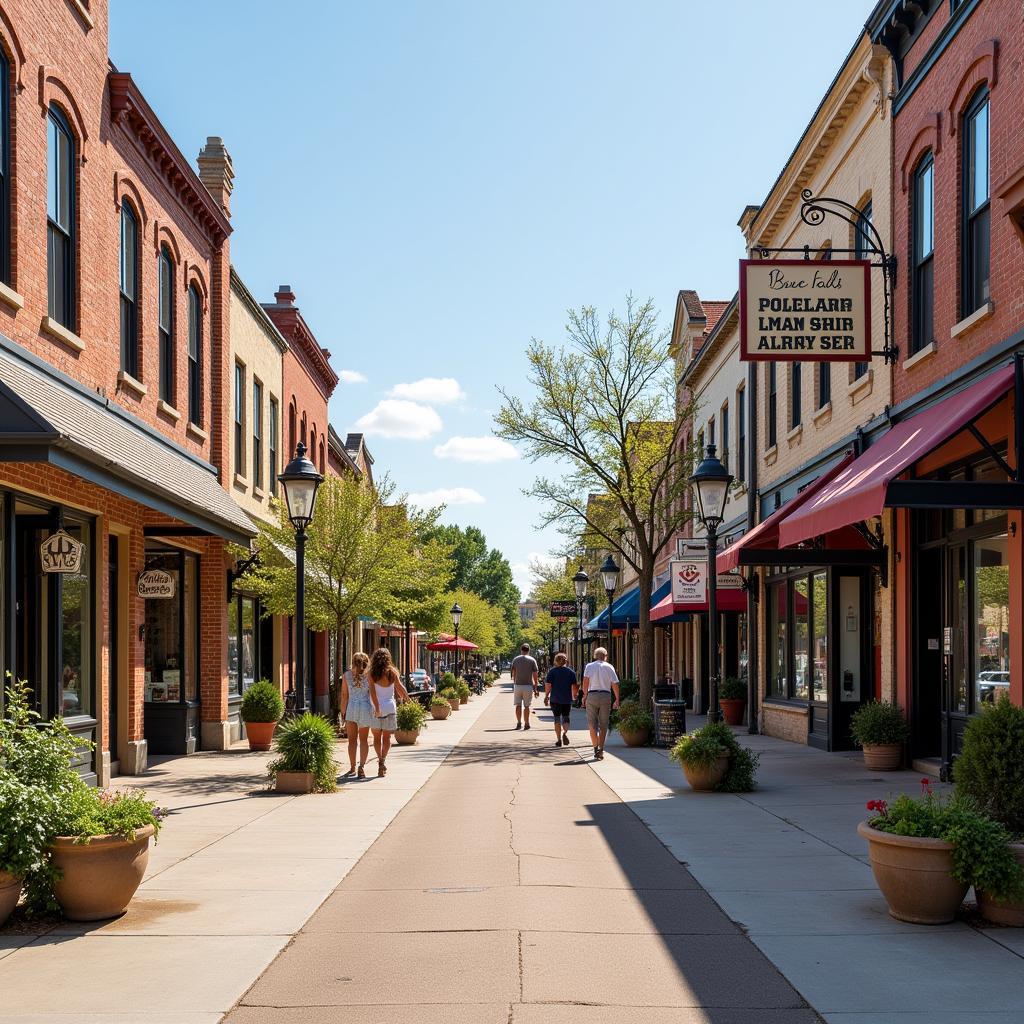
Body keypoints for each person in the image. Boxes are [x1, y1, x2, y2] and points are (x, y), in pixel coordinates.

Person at [369, 647, 409, 777]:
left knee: (376, 738)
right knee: (387, 738)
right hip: (390, 708)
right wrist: (407, 698)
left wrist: (377, 708)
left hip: (376, 709)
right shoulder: (392, 672)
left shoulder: (372, 674)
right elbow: (400, 687)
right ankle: (383, 761)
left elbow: (373, 694)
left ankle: (379, 759)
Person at [582, 646, 620, 760]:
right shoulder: (609, 667)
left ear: (595, 656)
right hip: (605, 695)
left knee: (591, 724)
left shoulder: (589, 666)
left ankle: (595, 747)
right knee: (603, 724)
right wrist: (617, 699)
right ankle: (601, 749)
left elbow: (585, 682)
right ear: (605, 656)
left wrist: (585, 696)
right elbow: (615, 684)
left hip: (592, 695)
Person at [340, 652, 373, 778]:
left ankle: (352, 767)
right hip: (365, 707)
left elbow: (344, 695)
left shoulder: (346, 675)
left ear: (353, 662)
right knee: (364, 740)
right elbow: (372, 693)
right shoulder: (369, 676)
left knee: (352, 741)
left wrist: (343, 712)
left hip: (351, 708)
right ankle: (362, 767)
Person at [544, 652, 578, 747]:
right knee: (566, 717)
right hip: (567, 699)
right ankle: (565, 733)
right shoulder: (571, 672)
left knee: (557, 718)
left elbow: (548, 685)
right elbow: (575, 686)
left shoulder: (552, 672)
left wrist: (546, 696)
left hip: (555, 699)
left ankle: (559, 739)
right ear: (566, 661)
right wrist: (575, 695)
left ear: (555, 661)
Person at [510, 642, 539, 730]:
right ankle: (526, 723)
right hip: (528, 686)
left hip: (518, 685)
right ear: (529, 650)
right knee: (527, 706)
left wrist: (514, 682)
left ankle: (519, 722)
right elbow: (535, 674)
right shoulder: (532, 660)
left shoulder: (516, 659)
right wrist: (536, 687)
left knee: (518, 705)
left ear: (521, 650)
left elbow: (513, 673)